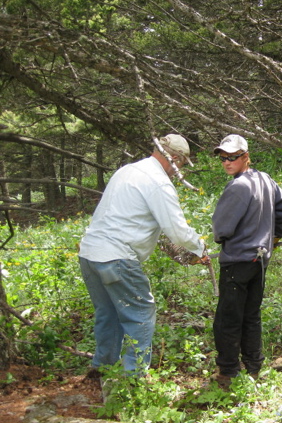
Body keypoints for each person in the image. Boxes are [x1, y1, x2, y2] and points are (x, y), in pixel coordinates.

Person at [79, 134, 208, 376]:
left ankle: (101, 366)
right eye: (180, 165)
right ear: (176, 159)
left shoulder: (128, 171)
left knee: (107, 312)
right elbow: (177, 230)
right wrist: (200, 248)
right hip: (117, 256)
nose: (177, 171)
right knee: (140, 312)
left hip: (89, 254)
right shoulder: (158, 182)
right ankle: (134, 377)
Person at [211, 134, 282, 389]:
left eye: (233, 157)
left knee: (228, 318)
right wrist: (279, 233)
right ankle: (254, 366)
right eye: (223, 157)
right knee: (251, 314)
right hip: (259, 261)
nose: (227, 162)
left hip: (237, 261)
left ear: (245, 157)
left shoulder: (238, 186)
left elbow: (221, 228)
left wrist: (221, 237)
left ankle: (228, 372)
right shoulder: (265, 179)